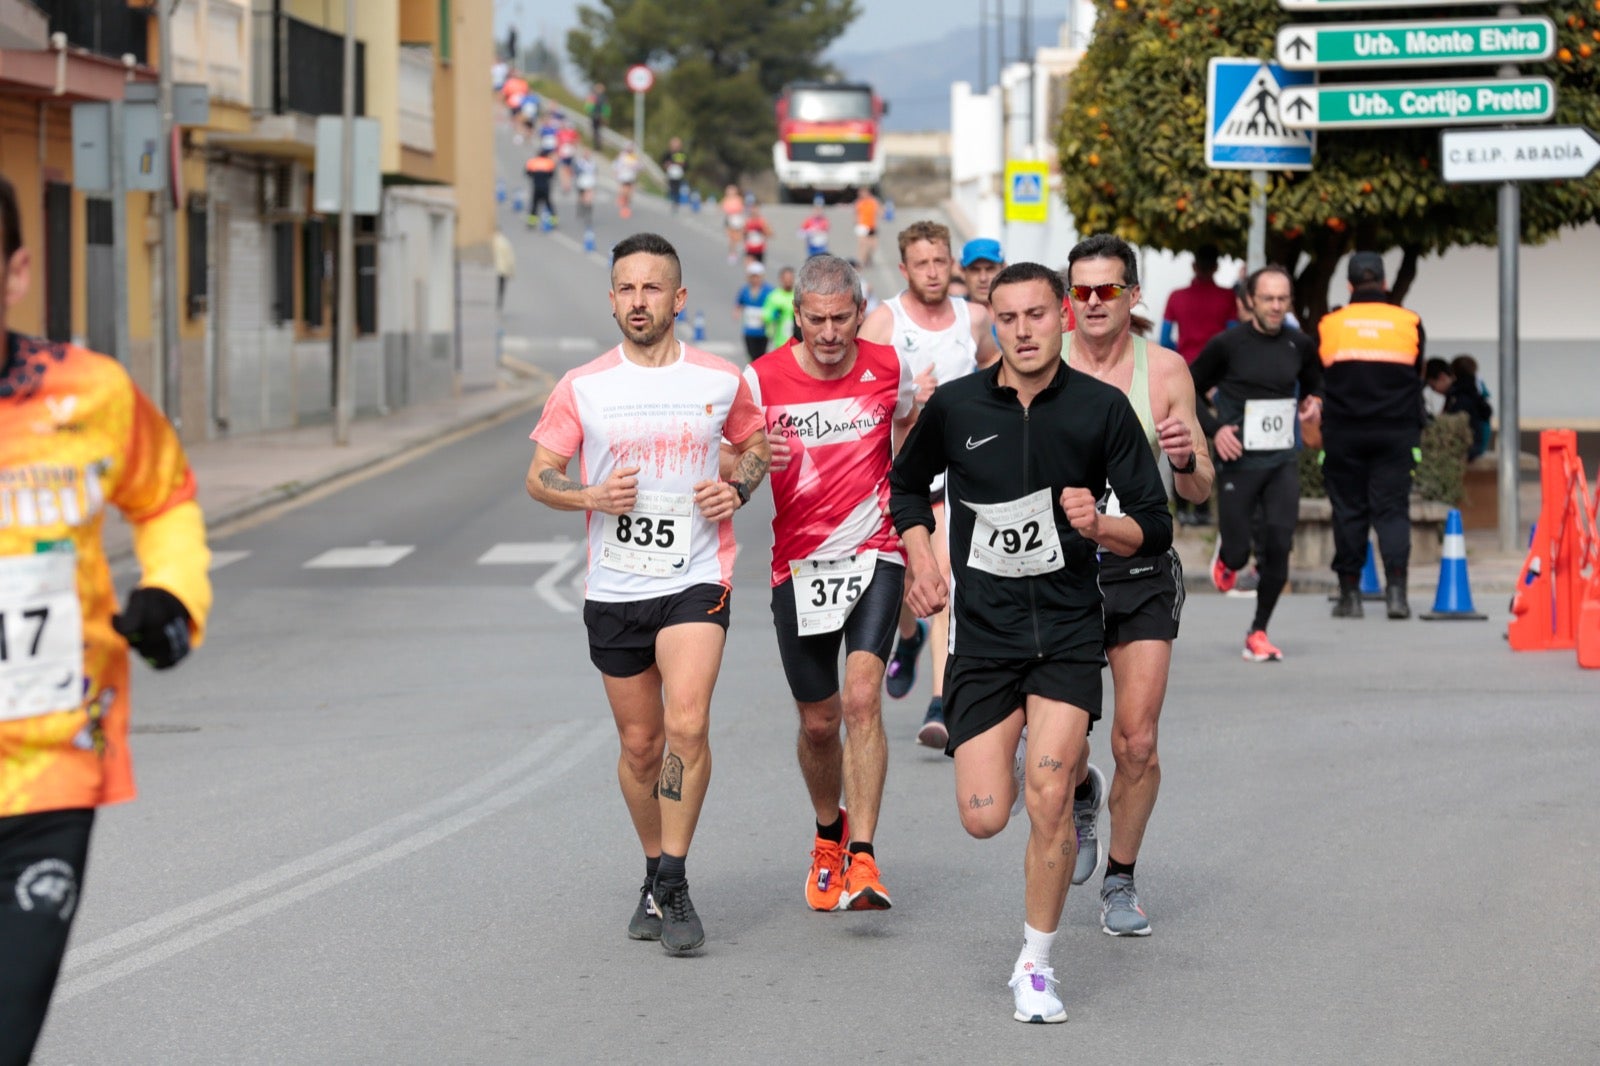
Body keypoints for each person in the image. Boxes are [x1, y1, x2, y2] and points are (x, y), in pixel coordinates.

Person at [889, 261, 1172, 1023]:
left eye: (1037, 315)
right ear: (992, 322)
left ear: (1064, 318)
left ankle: (1037, 965)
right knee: (985, 813)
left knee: (1043, 795)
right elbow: (906, 488)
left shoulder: (1102, 410)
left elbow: (1155, 519)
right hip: (984, 637)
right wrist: (922, 557)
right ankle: (1083, 783)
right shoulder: (954, 407)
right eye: (1007, 317)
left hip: (1069, 632)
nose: (1022, 330)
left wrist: (1100, 526)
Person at [0, 172, 213, 1062]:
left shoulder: (90, 393)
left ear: (14, 272)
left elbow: (164, 498)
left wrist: (172, 597)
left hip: (49, 770)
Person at [525, 233, 771, 955]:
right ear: (612, 300)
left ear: (678, 299)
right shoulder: (583, 386)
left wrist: (736, 488)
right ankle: (651, 866)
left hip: (697, 576)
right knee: (640, 746)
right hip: (615, 586)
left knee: (686, 725)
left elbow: (755, 445)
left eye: (652, 288)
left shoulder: (720, 380)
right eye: (626, 289)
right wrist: (592, 495)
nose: (639, 301)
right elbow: (540, 475)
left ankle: (674, 876)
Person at [737, 254, 918, 913]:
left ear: (860, 314)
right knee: (820, 723)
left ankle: (864, 857)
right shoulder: (762, 379)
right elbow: (730, 455)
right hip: (801, 566)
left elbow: (909, 429)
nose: (830, 332)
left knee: (864, 697)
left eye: (842, 318)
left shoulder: (887, 367)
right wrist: (755, 457)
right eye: (816, 320)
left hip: (876, 551)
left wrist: (923, 538)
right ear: (798, 318)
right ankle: (827, 833)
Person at [1060, 234, 1212, 936]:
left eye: (1107, 290)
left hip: (1140, 570)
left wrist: (1184, 461)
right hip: (1056, 573)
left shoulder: (1167, 371)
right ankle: (1082, 791)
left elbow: (1202, 486)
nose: (1093, 303)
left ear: (1133, 295)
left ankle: (1120, 879)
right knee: (1056, 750)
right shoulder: (1039, 359)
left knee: (1139, 741)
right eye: (1081, 291)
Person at [860, 220, 999, 748]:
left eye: (941, 261)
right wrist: (904, 400)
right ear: (904, 268)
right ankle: (909, 638)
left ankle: (940, 702)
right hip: (894, 476)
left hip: (954, 477)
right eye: (922, 263)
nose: (934, 272)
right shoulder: (883, 321)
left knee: (943, 578)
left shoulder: (975, 318)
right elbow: (856, 395)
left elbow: (994, 372)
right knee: (901, 580)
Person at [1191, 263, 1323, 663]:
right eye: (1268, 298)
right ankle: (1228, 557)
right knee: (1236, 553)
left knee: (1280, 543)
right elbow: (1188, 388)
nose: (1276, 306)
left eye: (1283, 299)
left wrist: (1314, 400)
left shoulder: (1298, 343)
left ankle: (1259, 630)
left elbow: (1316, 383)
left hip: (1282, 458)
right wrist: (1216, 431)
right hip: (1239, 461)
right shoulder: (1227, 345)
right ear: (1250, 300)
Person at [1315, 251, 1425, 621]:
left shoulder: (1330, 324)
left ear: (1349, 285)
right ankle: (1397, 594)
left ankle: (1350, 595)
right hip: (1396, 433)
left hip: (1344, 434)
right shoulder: (1410, 322)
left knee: (1349, 511)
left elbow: (1321, 378)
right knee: (1392, 510)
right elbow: (1417, 374)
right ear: (1384, 283)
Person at [1162, 246, 1236, 527]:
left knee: (1179, 441)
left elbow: (1166, 338)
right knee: (1208, 443)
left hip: (1184, 372)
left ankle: (1182, 509)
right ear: (1216, 268)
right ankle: (1204, 509)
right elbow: (1231, 338)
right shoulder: (1227, 297)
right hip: (1217, 381)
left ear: (1194, 267)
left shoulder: (1176, 297)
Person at [1445, 354, 1493, 460]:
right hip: (1480, 444)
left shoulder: (1459, 394)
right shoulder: (1477, 389)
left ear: (1454, 373)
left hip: (1470, 448)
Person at [735, 262, 774, 361]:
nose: (755, 279)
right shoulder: (745, 290)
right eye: (752, 276)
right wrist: (737, 311)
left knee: (761, 356)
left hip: (763, 330)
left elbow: (774, 305)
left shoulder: (768, 290)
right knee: (751, 355)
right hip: (749, 329)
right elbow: (739, 302)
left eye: (757, 276)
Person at [959, 238, 1006, 309]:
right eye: (975, 270)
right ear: (962, 272)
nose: (983, 278)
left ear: (1003, 269)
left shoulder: (1019, 311)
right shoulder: (953, 313)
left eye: (990, 269)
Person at [763, 266, 797, 351]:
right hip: (779, 340)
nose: (788, 281)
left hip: (796, 341)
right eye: (786, 278)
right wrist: (775, 315)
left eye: (790, 278)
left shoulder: (798, 296)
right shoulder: (774, 296)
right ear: (781, 279)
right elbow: (765, 316)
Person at [525, 150, 557, 228]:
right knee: (548, 204)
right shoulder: (549, 162)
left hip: (536, 186)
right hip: (545, 186)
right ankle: (553, 221)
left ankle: (532, 222)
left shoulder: (532, 162)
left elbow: (528, 173)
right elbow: (552, 174)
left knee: (534, 204)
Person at [613, 142, 641, 220]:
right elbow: (617, 164)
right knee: (625, 192)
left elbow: (639, 166)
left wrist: (637, 167)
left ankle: (626, 206)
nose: (630, 149)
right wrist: (616, 173)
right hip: (624, 176)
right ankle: (624, 207)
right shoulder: (622, 155)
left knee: (630, 194)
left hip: (632, 176)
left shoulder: (635, 156)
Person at [854, 188, 881, 267]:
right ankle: (861, 261)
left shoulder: (873, 201)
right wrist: (856, 223)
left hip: (872, 226)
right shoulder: (859, 202)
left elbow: (879, 211)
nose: (861, 195)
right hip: (862, 225)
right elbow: (856, 213)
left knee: (873, 245)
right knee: (862, 244)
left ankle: (868, 257)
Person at [574, 148, 598, 232]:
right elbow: (576, 172)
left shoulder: (593, 163)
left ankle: (588, 215)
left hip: (590, 184)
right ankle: (581, 209)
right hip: (581, 183)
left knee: (588, 200)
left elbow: (595, 172)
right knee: (581, 199)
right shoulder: (580, 163)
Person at [661, 137, 688, 212]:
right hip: (670, 174)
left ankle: (676, 202)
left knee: (677, 189)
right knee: (670, 188)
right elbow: (664, 163)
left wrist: (681, 164)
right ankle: (670, 200)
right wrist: (667, 165)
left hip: (678, 175)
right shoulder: (668, 154)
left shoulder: (681, 154)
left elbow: (685, 164)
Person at [556, 118, 582, 194]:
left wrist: (574, 148)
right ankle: (565, 184)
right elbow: (558, 142)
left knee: (568, 170)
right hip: (563, 154)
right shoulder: (560, 133)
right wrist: (558, 152)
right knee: (563, 170)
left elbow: (577, 140)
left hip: (569, 154)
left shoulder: (572, 133)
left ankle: (567, 184)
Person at [721, 185, 746, 264]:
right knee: (731, 239)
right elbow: (724, 208)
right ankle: (732, 254)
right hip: (730, 219)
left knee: (739, 237)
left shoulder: (739, 199)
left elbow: (741, 208)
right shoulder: (726, 199)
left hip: (737, 219)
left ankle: (742, 251)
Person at [493, 229, 515, 311]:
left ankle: (496, 304)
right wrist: (511, 271)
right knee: (501, 288)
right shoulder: (505, 242)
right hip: (502, 269)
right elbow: (510, 258)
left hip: (493, 268)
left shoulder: (491, 241)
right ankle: (499, 304)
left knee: (495, 288)